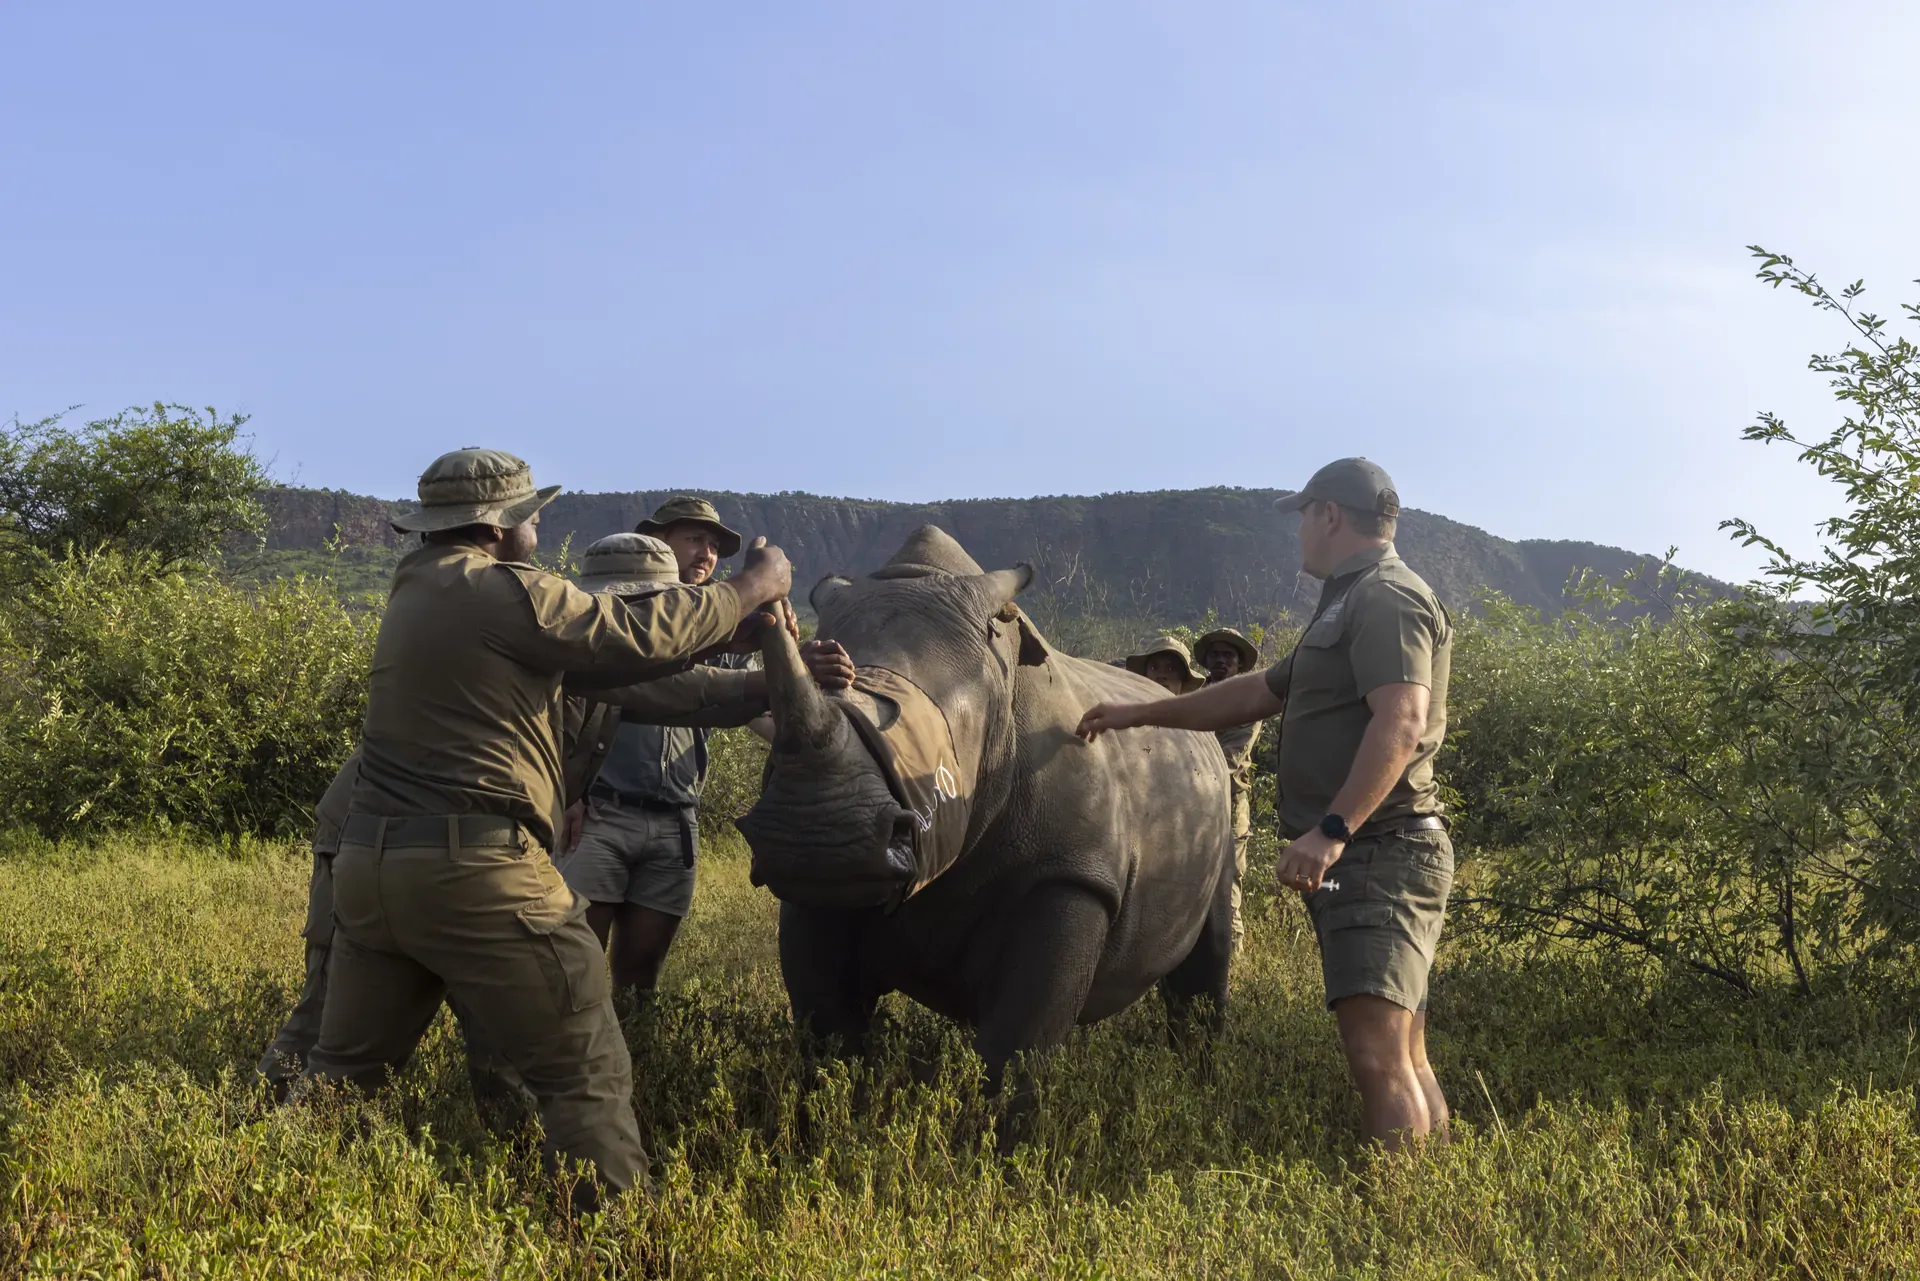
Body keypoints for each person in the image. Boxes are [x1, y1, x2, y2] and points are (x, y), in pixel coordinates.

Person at [303, 448, 795, 1206]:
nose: (538, 524)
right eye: (530, 513)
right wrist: (748, 589)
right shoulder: (498, 591)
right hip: (473, 869)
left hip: (375, 873)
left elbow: (623, 673)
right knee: (584, 1066)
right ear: (499, 527)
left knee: (340, 1082)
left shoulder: (421, 586)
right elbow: (623, 640)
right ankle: (624, 1242)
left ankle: (250, 1200)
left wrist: (740, 652)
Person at [1075, 458, 1453, 1151]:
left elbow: (1400, 721)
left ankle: (1406, 1220)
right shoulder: (1344, 602)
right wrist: (1141, 712)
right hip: (1373, 853)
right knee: (1405, 1052)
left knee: (1378, 1056)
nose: (1300, 533)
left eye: (1304, 517)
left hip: (1380, 851)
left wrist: (1332, 831)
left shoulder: (1387, 597)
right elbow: (1256, 693)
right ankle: (1433, 1198)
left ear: (1329, 515)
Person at [555, 531, 852, 1003]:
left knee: (638, 976)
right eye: (693, 539)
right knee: (571, 970)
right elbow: (683, 688)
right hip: (597, 815)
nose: (706, 553)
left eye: (714, 546)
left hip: (674, 818)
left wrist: (792, 676)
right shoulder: (590, 644)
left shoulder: (697, 644)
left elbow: (720, 699)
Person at [1194, 626, 1265, 953]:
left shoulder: (1249, 704)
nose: (1221, 661)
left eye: (1228, 656)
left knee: (1228, 880)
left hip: (1230, 802)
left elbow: (1230, 759)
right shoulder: (1192, 695)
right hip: (1187, 804)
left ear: (1238, 664)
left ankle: (1232, 956)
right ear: (1207, 660)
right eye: (1216, 655)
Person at [1121, 635, 1207, 696]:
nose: (1161, 676)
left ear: (1183, 678)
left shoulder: (1191, 720)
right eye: (1154, 668)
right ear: (1145, 674)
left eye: (1170, 669)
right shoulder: (1127, 715)